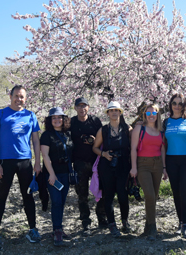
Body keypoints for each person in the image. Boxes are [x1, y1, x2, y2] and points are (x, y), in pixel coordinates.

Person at [0, 85, 41, 251]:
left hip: (25, 162)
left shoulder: (30, 116)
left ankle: (32, 229)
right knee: (1, 197)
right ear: (10, 96)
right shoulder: (0, 114)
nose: (19, 99)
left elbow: (36, 141)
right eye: (16, 96)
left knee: (28, 197)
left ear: (26, 98)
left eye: (22, 97)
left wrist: (37, 162)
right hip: (5, 163)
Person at [92, 101, 133, 237]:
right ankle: (112, 225)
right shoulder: (103, 130)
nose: (114, 112)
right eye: (111, 110)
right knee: (108, 195)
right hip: (107, 166)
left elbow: (134, 147)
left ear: (120, 112)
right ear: (108, 113)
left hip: (123, 165)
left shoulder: (128, 129)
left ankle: (125, 222)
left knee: (123, 194)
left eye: (116, 110)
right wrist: (104, 154)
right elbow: (95, 148)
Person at [162, 93, 186, 238]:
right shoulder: (166, 122)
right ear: (170, 105)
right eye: (174, 103)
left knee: (185, 192)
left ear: (184, 106)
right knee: (176, 192)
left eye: (180, 103)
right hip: (171, 161)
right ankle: (180, 222)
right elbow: (163, 145)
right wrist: (164, 166)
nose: (177, 106)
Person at [70, 97, 107, 236]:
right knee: (82, 194)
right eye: (79, 106)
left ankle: (101, 217)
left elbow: (103, 137)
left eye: (84, 106)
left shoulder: (95, 121)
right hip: (79, 163)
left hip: (96, 162)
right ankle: (85, 221)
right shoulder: (72, 122)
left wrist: (93, 139)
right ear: (75, 108)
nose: (82, 108)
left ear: (88, 107)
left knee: (101, 190)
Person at [130, 104, 166, 240]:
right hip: (143, 164)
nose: (151, 115)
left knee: (154, 196)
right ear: (145, 115)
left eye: (154, 112)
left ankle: (147, 227)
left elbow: (162, 149)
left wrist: (164, 168)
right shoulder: (139, 128)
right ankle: (152, 227)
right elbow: (133, 148)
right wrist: (134, 167)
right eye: (148, 113)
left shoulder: (161, 130)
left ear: (158, 115)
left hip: (157, 164)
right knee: (149, 195)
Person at [40, 107, 73, 246]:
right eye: (53, 118)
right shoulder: (47, 135)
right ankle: (57, 230)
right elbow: (45, 156)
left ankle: (59, 227)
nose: (57, 120)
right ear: (50, 120)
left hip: (65, 172)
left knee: (62, 201)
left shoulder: (68, 134)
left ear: (64, 119)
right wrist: (52, 174)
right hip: (52, 174)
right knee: (56, 201)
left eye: (59, 117)